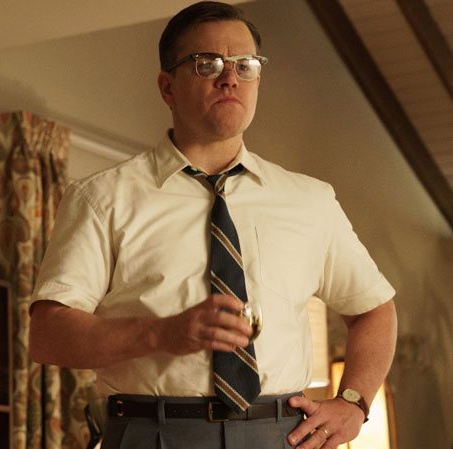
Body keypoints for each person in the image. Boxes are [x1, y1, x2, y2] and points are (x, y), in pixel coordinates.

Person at [28, 2, 397, 449]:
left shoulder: (311, 201)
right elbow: (48, 335)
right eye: (208, 64)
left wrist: (354, 402)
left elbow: (374, 309)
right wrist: (160, 333)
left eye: (245, 65)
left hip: (281, 434)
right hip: (154, 433)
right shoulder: (101, 197)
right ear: (167, 87)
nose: (230, 78)